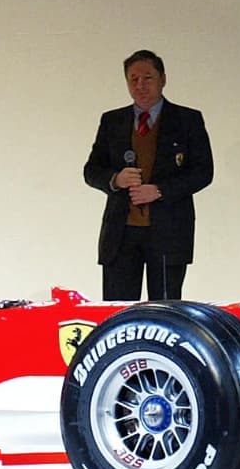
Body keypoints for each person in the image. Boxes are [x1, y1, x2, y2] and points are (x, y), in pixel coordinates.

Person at [82, 50, 214, 301]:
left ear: (163, 79)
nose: (140, 85)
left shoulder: (187, 120)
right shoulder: (112, 121)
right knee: (118, 309)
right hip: (120, 235)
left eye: (147, 78)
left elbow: (203, 172)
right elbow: (91, 170)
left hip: (168, 232)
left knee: (165, 309)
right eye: (133, 79)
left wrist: (160, 190)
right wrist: (115, 179)